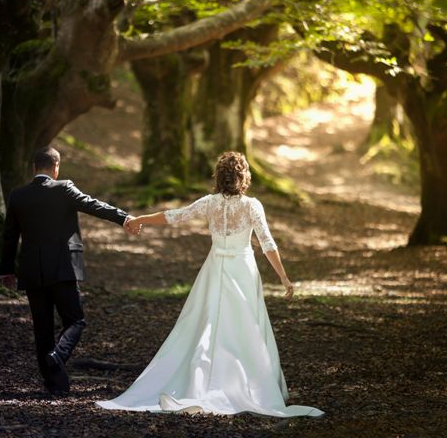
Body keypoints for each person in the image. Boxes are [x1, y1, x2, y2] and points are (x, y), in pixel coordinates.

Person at [96, 151, 324, 417]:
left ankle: (206, 378)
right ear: (244, 176)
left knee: (208, 323)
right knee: (244, 323)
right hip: (242, 269)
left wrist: (140, 219)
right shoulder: (252, 206)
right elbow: (267, 244)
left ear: (219, 176)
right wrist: (283, 277)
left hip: (215, 267)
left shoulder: (209, 203)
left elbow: (174, 215)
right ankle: (249, 383)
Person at [0, 146, 140, 396]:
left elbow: (10, 236)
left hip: (32, 270)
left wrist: (6, 270)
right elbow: (93, 205)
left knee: (41, 328)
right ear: (56, 168)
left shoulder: (17, 195)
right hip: (63, 267)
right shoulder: (63, 188)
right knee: (75, 320)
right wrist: (124, 218)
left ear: (34, 168)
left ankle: (55, 385)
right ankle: (59, 355)